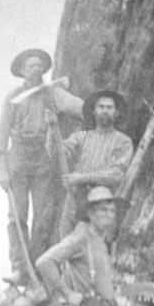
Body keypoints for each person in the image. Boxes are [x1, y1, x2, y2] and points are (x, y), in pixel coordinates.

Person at [0, 48, 83, 285]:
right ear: (22, 71)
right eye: (30, 66)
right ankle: (19, 268)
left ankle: (36, 266)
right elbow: (1, 137)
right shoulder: (13, 97)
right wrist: (3, 170)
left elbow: (78, 107)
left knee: (44, 216)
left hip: (43, 156)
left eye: (39, 65)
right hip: (18, 157)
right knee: (17, 216)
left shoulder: (51, 92)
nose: (35, 69)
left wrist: (98, 110)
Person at [55, 89, 133, 237]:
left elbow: (117, 175)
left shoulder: (123, 141)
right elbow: (61, 154)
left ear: (116, 113)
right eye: (101, 107)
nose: (105, 111)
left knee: (94, 246)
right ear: (93, 111)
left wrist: (83, 178)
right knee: (66, 240)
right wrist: (53, 130)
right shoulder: (81, 138)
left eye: (109, 108)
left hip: (102, 202)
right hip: (75, 198)